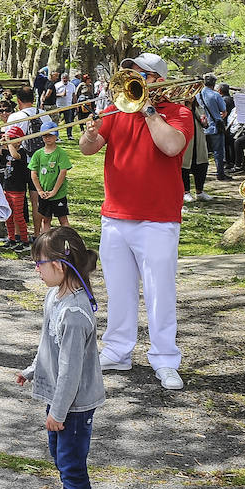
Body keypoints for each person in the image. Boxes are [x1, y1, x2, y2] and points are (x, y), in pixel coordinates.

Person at [79, 52, 192, 391]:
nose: (131, 78)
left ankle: (165, 359)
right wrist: (89, 132)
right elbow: (88, 149)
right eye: (129, 73)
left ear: (157, 79)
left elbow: (172, 147)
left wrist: (148, 111)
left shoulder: (178, 112)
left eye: (138, 73)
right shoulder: (116, 109)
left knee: (160, 293)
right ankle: (117, 350)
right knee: (118, 289)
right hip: (114, 215)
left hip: (158, 218)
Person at [16, 227, 106, 489]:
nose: (36, 269)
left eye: (39, 264)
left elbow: (70, 372)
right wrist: (31, 370)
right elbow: (48, 349)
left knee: (72, 466)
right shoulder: (55, 298)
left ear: (61, 266)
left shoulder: (74, 314)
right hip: (61, 401)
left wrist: (59, 412)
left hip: (74, 406)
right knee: (60, 458)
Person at [0, 119, 33, 252]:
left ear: (19, 140)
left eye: (12, 138)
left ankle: (24, 240)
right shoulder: (7, 151)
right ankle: (11, 238)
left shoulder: (22, 153)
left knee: (19, 216)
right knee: (9, 216)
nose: (9, 140)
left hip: (18, 190)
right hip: (7, 188)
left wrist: (9, 142)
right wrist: (2, 141)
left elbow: (15, 155)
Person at [29, 129, 72, 235]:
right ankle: (45, 245)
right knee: (46, 220)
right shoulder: (38, 154)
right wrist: (39, 190)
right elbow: (33, 173)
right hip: (44, 194)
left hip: (58, 194)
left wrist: (54, 191)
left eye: (50, 135)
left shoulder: (60, 153)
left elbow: (63, 172)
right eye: (45, 136)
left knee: (63, 219)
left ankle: (70, 242)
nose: (47, 138)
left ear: (56, 136)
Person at [181, 92, 212, 203]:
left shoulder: (199, 108)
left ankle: (200, 191)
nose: (191, 96)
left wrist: (204, 121)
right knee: (184, 167)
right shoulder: (180, 108)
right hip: (186, 142)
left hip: (199, 142)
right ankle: (186, 192)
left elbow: (205, 123)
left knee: (202, 165)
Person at [198, 75, 229, 181]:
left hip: (202, 126)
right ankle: (220, 174)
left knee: (202, 152)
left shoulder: (198, 95)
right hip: (215, 126)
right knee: (218, 151)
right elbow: (223, 110)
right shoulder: (216, 95)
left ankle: (202, 174)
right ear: (214, 84)